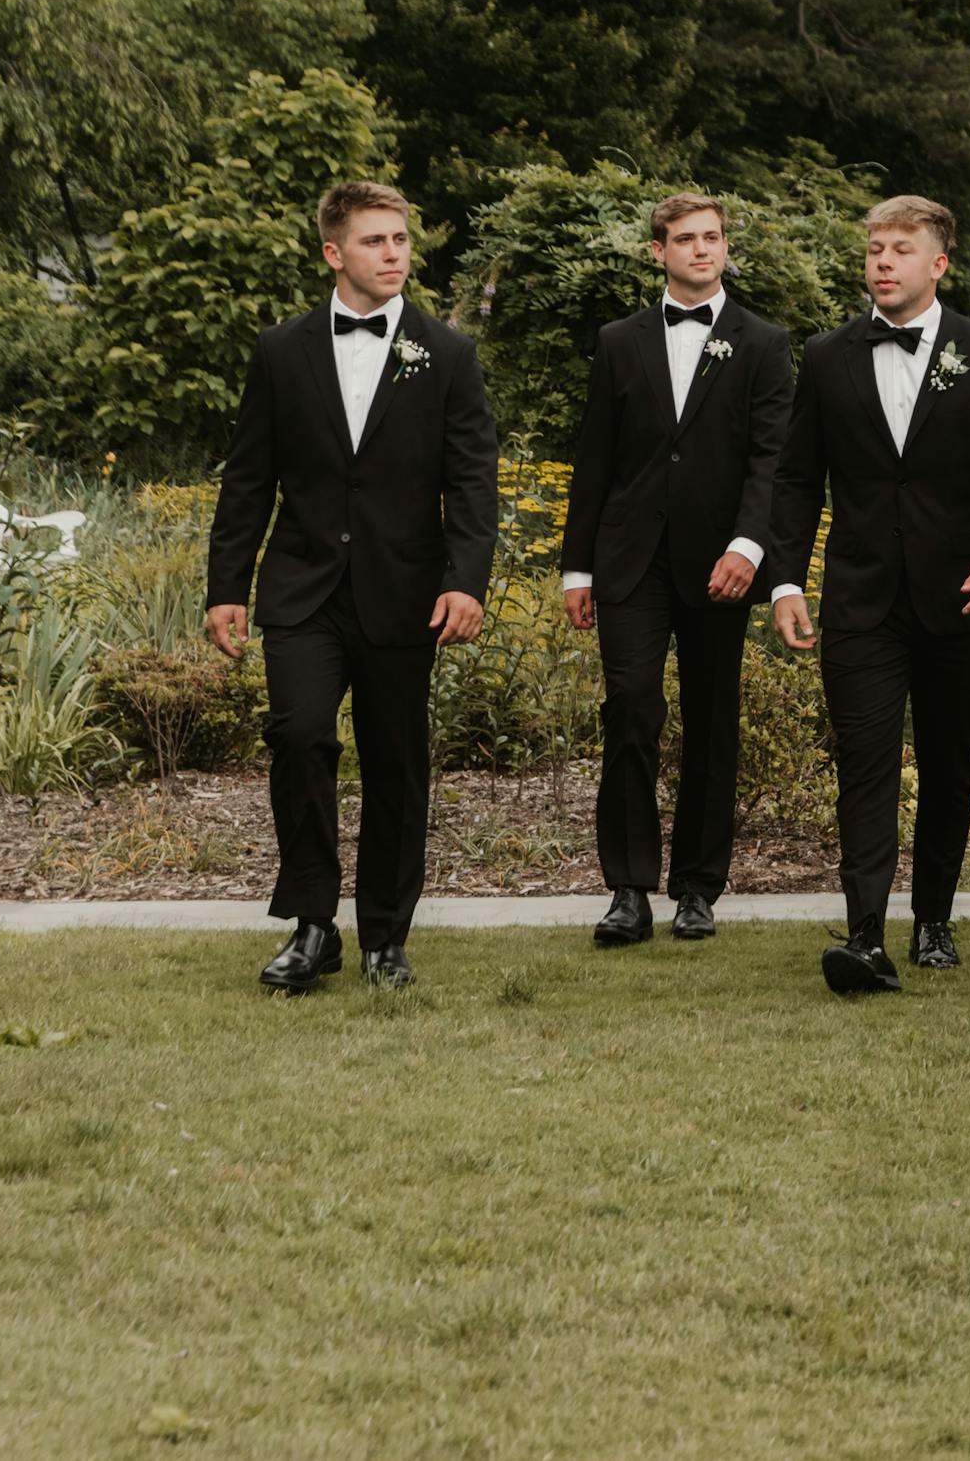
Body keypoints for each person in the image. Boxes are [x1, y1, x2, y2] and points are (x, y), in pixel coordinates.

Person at [205, 180, 497, 993]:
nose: (395, 253)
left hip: (406, 594)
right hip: (302, 589)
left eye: (401, 239)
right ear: (334, 252)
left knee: (397, 762)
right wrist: (226, 583)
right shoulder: (279, 350)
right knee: (300, 736)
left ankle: (385, 936)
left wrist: (465, 580)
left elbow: (474, 483)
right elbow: (248, 477)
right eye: (376, 241)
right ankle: (310, 924)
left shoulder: (448, 354)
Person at [766, 196, 970, 996]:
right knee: (866, 760)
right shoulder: (826, 356)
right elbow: (794, 479)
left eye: (900, 250)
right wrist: (786, 578)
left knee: (952, 764)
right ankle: (861, 934)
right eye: (875, 250)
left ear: (938, 264)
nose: (883, 262)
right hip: (858, 600)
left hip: (959, 598)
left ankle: (933, 920)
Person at [556, 191, 794, 948]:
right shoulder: (619, 340)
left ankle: (697, 886)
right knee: (630, 707)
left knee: (712, 721)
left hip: (720, 562)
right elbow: (593, 458)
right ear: (657, 250)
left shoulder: (763, 341)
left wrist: (749, 546)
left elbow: (772, 460)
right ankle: (628, 889)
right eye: (686, 238)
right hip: (630, 559)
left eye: (713, 237)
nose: (702, 249)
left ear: (725, 246)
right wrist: (575, 567)